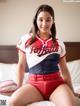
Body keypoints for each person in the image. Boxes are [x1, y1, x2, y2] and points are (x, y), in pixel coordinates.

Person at [8, 4, 78, 106]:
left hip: (56, 84)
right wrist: (18, 88)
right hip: (34, 85)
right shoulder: (25, 39)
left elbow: (65, 70)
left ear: (53, 21)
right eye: (41, 19)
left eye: (48, 20)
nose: (44, 23)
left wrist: (72, 92)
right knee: (12, 102)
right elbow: (21, 66)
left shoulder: (59, 43)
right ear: (36, 20)